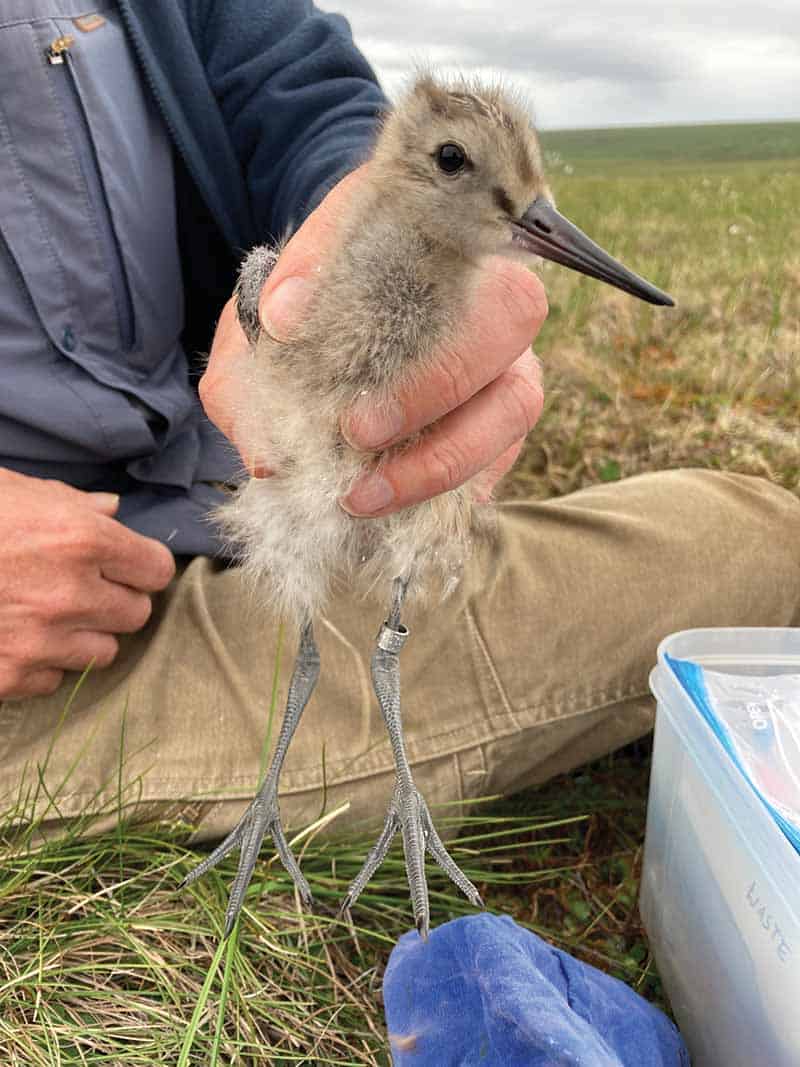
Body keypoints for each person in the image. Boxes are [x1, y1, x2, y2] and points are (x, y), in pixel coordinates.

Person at [1, 0, 798, 849]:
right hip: (56, 651)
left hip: (245, 502)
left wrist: (359, 217)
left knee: (757, 544)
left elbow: (298, 89)